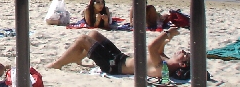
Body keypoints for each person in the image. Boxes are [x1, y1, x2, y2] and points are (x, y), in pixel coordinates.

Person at [47, 26, 190, 80]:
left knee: (83, 39)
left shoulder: (163, 68)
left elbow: (152, 47)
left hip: (113, 65)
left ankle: (57, 64)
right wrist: (167, 39)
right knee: (94, 34)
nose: (183, 51)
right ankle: (77, 58)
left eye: (185, 54)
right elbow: (158, 50)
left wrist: (167, 33)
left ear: (182, 64)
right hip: (120, 57)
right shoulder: (165, 60)